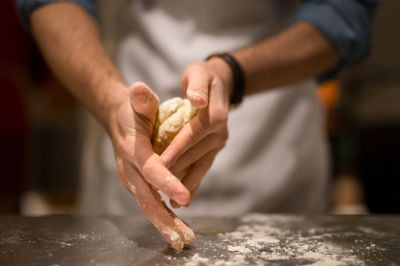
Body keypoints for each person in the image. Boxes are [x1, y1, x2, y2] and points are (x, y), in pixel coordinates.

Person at [16, 0, 378, 248]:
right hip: (131, 117)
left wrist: (232, 72)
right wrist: (110, 101)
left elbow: (344, 14)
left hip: (275, 142)